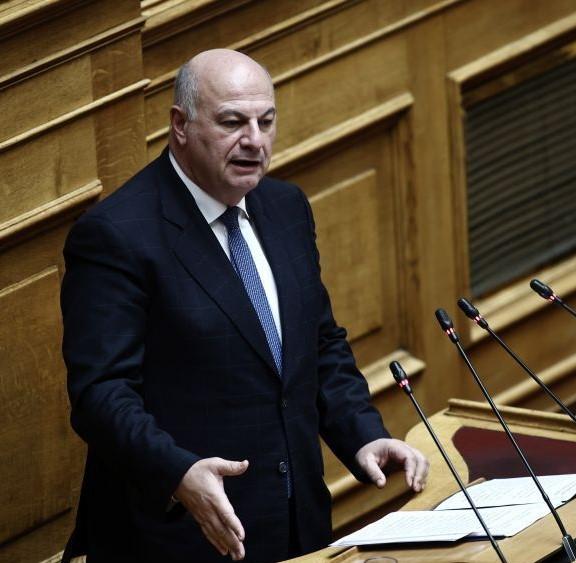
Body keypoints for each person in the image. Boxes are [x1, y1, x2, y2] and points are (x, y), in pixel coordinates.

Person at [60, 49, 429, 563]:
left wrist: (362, 434)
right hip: (182, 537)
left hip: (297, 524)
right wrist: (178, 472)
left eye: (266, 121)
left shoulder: (285, 207)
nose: (255, 140)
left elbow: (318, 344)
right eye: (233, 123)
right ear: (180, 125)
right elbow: (100, 395)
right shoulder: (117, 235)